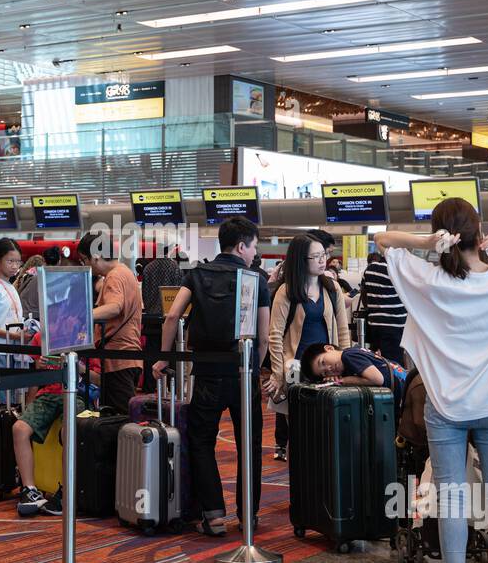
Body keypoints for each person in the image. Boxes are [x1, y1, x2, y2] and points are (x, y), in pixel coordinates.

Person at [375, 198, 488, 563]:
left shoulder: (428, 280)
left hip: (445, 407)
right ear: (480, 234)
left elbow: (382, 238)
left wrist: (424, 241)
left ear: (441, 236)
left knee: (450, 498)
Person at [152, 216, 270, 536]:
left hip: (206, 373)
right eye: (254, 247)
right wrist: (254, 369)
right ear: (241, 245)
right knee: (251, 443)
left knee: (202, 441)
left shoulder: (197, 274)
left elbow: (173, 315)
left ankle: (214, 514)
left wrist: (165, 358)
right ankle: (248, 514)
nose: (254, 254)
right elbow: (263, 336)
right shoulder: (257, 279)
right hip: (242, 373)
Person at [267, 233, 351, 461]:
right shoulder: (286, 292)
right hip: (295, 369)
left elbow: (343, 331)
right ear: (300, 260)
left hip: (327, 367)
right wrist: (277, 372)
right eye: (315, 256)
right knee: (299, 428)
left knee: (327, 425)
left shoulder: (332, 288)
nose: (322, 260)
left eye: (322, 254)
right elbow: (274, 336)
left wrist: (347, 364)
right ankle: (303, 476)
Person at [12, 333, 100, 516]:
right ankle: (29, 490)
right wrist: (38, 368)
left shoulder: (89, 336)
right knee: (19, 429)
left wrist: (78, 367)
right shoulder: (41, 336)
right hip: (48, 395)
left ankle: (67, 491)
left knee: (67, 432)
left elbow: (99, 379)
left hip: (78, 394)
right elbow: (35, 374)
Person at [79, 231, 144, 415]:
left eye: (85, 259)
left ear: (96, 256)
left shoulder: (114, 276)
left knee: (119, 421)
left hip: (119, 358)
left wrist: (83, 316)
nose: (85, 265)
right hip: (124, 358)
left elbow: (115, 307)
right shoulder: (124, 272)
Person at [360, 249, 407, 364]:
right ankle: (393, 381)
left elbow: (364, 295)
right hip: (395, 324)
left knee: (377, 360)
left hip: (375, 323)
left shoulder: (369, 270)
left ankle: (381, 379)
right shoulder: (396, 270)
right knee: (394, 362)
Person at [300, 342, 405, 389]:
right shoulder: (349, 358)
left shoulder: (348, 356)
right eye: (325, 373)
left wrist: (342, 381)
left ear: (329, 348)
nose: (328, 368)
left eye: (322, 362)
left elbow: (377, 379)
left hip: (405, 386)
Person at [141, 241, 182, 315]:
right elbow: (178, 291)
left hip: (151, 313)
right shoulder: (175, 267)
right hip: (170, 312)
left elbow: (145, 293)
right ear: (170, 249)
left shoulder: (148, 268)